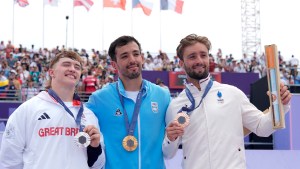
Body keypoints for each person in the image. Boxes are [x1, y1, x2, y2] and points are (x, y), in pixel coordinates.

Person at [162, 34, 292, 169]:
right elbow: (168, 154)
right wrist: (171, 138)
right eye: (192, 56)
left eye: (203, 55)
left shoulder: (232, 94)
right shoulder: (175, 106)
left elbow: (262, 128)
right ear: (181, 63)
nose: (199, 60)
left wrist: (281, 106)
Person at [0, 51, 105, 169]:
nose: (72, 69)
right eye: (66, 64)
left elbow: (97, 165)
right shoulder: (28, 109)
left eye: (77, 67)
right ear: (51, 72)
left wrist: (94, 147)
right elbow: (9, 160)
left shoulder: (88, 114)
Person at [86, 35, 171, 169]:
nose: (132, 60)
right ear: (114, 64)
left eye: (136, 54)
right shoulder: (99, 99)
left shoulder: (163, 96)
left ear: (142, 58)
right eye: (125, 56)